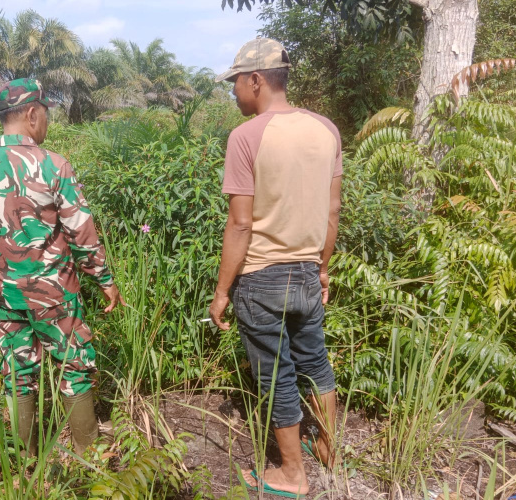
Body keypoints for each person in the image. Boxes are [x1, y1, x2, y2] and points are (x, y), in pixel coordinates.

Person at [0, 77, 125, 457]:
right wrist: (105, 280)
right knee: (74, 367)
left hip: (6, 295)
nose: (47, 121)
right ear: (32, 114)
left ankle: (27, 466)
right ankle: (88, 460)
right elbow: (81, 230)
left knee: (17, 374)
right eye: (45, 113)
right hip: (55, 294)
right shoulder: (54, 165)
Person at [208, 38, 342, 498]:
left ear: (256, 80)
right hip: (307, 270)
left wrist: (223, 290)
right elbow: (333, 211)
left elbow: (241, 223)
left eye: (235, 83)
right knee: (316, 363)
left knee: (276, 374)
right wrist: (322, 268)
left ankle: (292, 474)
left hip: (263, 277)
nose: (233, 92)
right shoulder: (326, 129)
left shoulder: (246, 137)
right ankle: (328, 447)